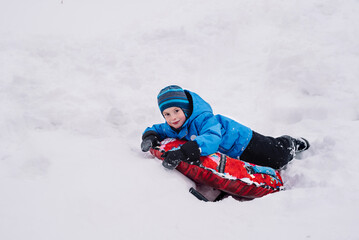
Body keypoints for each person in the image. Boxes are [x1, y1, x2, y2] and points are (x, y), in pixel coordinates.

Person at [141, 85, 310, 170]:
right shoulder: (173, 126)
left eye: (176, 111)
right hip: (232, 153)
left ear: (185, 109)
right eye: (167, 114)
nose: (173, 118)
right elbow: (158, 129)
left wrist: (185, 151)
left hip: (243, 141)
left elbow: (212, 139)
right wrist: (149, 136)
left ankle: (291, 143)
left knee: (276, 158)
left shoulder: (203, 119)